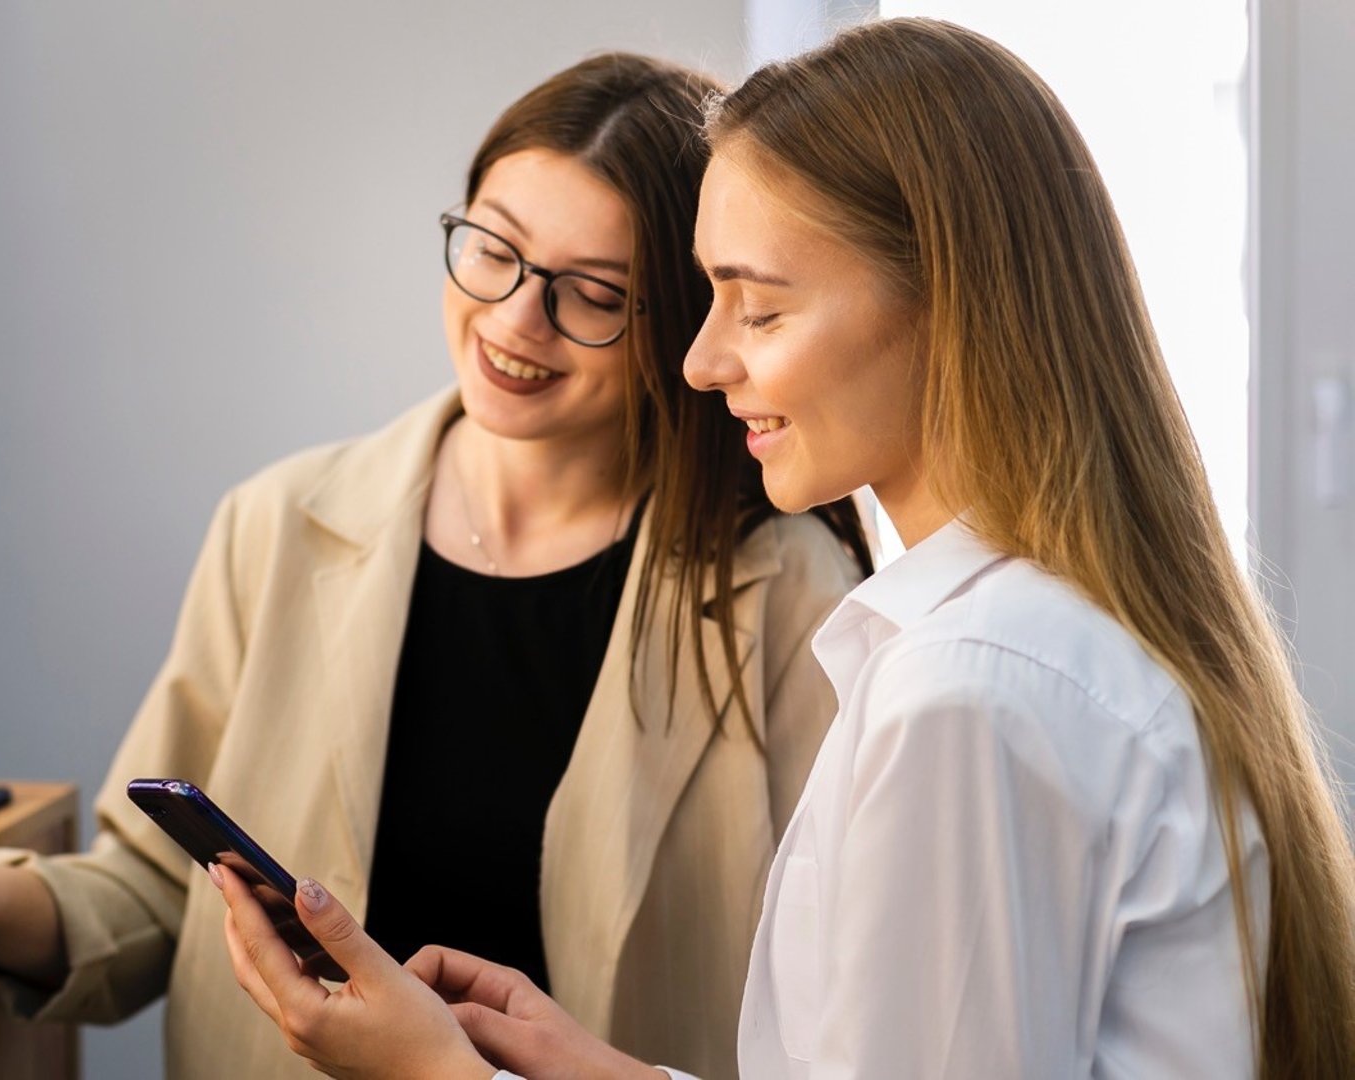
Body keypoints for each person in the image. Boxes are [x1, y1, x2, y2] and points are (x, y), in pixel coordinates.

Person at [213, 17, 1355, 1080]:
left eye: (756, 310)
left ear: (945, 309)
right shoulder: (1018, 645)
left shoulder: (970, 696)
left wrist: (437, 1071)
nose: (702, 363)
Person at [0, 53, 869, 1079]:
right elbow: (156, 890)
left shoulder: (790, 599)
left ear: (683, 319)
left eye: (594, 294)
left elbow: (845, 1015)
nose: (517, 319)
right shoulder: (279, 524)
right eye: (493, 247)